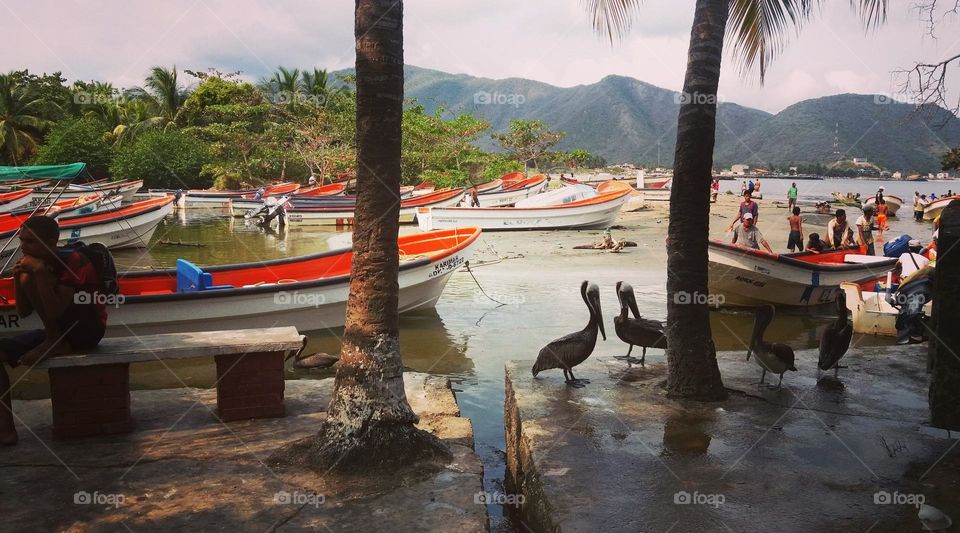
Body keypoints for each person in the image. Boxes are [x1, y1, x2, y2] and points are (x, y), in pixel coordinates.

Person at [1, 216, 108, 446]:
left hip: (86, 329)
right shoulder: (33, 264)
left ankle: (54, 341)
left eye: (30, 241)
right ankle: (5, 430)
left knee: (30, 278)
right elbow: (23, 312)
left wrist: (38, 274)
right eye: (22, 240)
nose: (23, 247)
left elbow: (55, 310)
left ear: (51, 243)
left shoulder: (74, 261)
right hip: (57, 331)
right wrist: (17, 278)